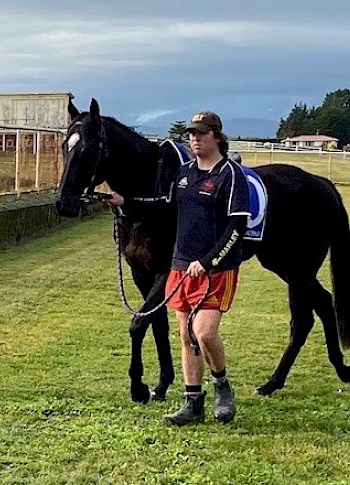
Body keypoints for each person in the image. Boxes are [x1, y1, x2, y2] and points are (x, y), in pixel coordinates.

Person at [106, 111, 250, 426]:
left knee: (204, 332)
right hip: (182, 267)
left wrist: (210, 261)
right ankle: (193, 403)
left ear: (216, 136)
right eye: (191, 133)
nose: (195, 138)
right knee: (186, 335)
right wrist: (125, 202)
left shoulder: (231, 175)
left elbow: (237, 226)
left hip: (217, 268)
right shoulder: (184, 173)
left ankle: (223, 386)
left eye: (201, 133)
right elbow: (163, 205)